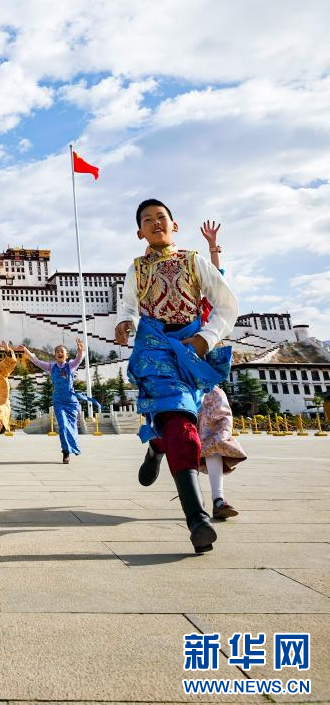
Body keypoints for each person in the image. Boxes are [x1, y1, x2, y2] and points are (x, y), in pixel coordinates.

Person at [115, 200, 238, 554]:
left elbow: (226, 304)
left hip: (189, 347)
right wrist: (125, 322)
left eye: (161, 218)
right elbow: (129, 305)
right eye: (147, 220)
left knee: (178, 422)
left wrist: (206, 338)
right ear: (139, 232)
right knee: (180, 424)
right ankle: (197, 519)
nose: (156, 223)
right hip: (154, 348)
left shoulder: (193, 261)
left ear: (174, 225)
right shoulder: (137, 268)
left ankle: (157, 446)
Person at [197, 220, 246, 518]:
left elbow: (218, 283)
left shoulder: (206, 311)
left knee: (216, 431)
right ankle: (155, 452)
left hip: (206, 384)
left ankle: (218, 500)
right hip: (175, 381)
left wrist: (213, 249)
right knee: (176, 436)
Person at [22, 340, 101, 462]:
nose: (59, 353)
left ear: (66, 355)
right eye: (57, 351)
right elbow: (37, 361)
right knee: (63, 426)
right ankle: (65, 452)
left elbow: (78, 359)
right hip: (58, 402)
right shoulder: (51, 367)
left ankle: (71, 448)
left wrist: (80, 351)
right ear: (55, 355)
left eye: (62, 351)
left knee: (71, 427)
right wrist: (26, 351)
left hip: (71, 403)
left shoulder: (70, 366)